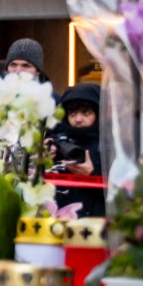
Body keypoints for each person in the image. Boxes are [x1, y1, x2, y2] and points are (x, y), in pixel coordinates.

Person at [51, 81, 103, 219]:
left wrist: (92, 175)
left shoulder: (110, 145)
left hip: (97, 223)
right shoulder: (57, 142)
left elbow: (122, 193)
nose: (78, 119)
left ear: (98, 113)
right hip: (60, 221)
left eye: (86, 113)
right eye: (72, 113)